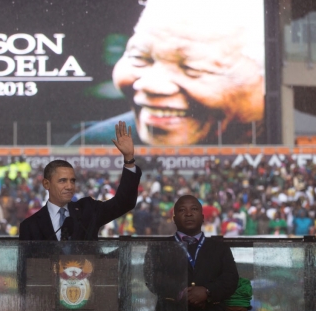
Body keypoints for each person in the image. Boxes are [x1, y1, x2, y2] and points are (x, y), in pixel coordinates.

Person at [66, 0, 264, 146]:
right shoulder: (95, 143)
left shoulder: (289, 135)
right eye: (139, 58)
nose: (150, 85)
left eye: (193, 68)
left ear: (266, 80)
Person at [145, 194, 239, 311]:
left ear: (203, 217)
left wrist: (207, 292)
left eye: (194, 209)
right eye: (182, 210)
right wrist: (182, 293)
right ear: (174, 218)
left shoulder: (220, 248)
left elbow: (231, 279)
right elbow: (152, 278)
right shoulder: (158, 248)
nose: (188, 213)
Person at [19, 121, 141, 240]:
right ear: (46, 184)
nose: (69, 186)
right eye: (62, 181)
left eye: (72, 181)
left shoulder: (88, 210)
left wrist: (129, 159)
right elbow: (27, 261)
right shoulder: (30, 226)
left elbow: (124, 203)